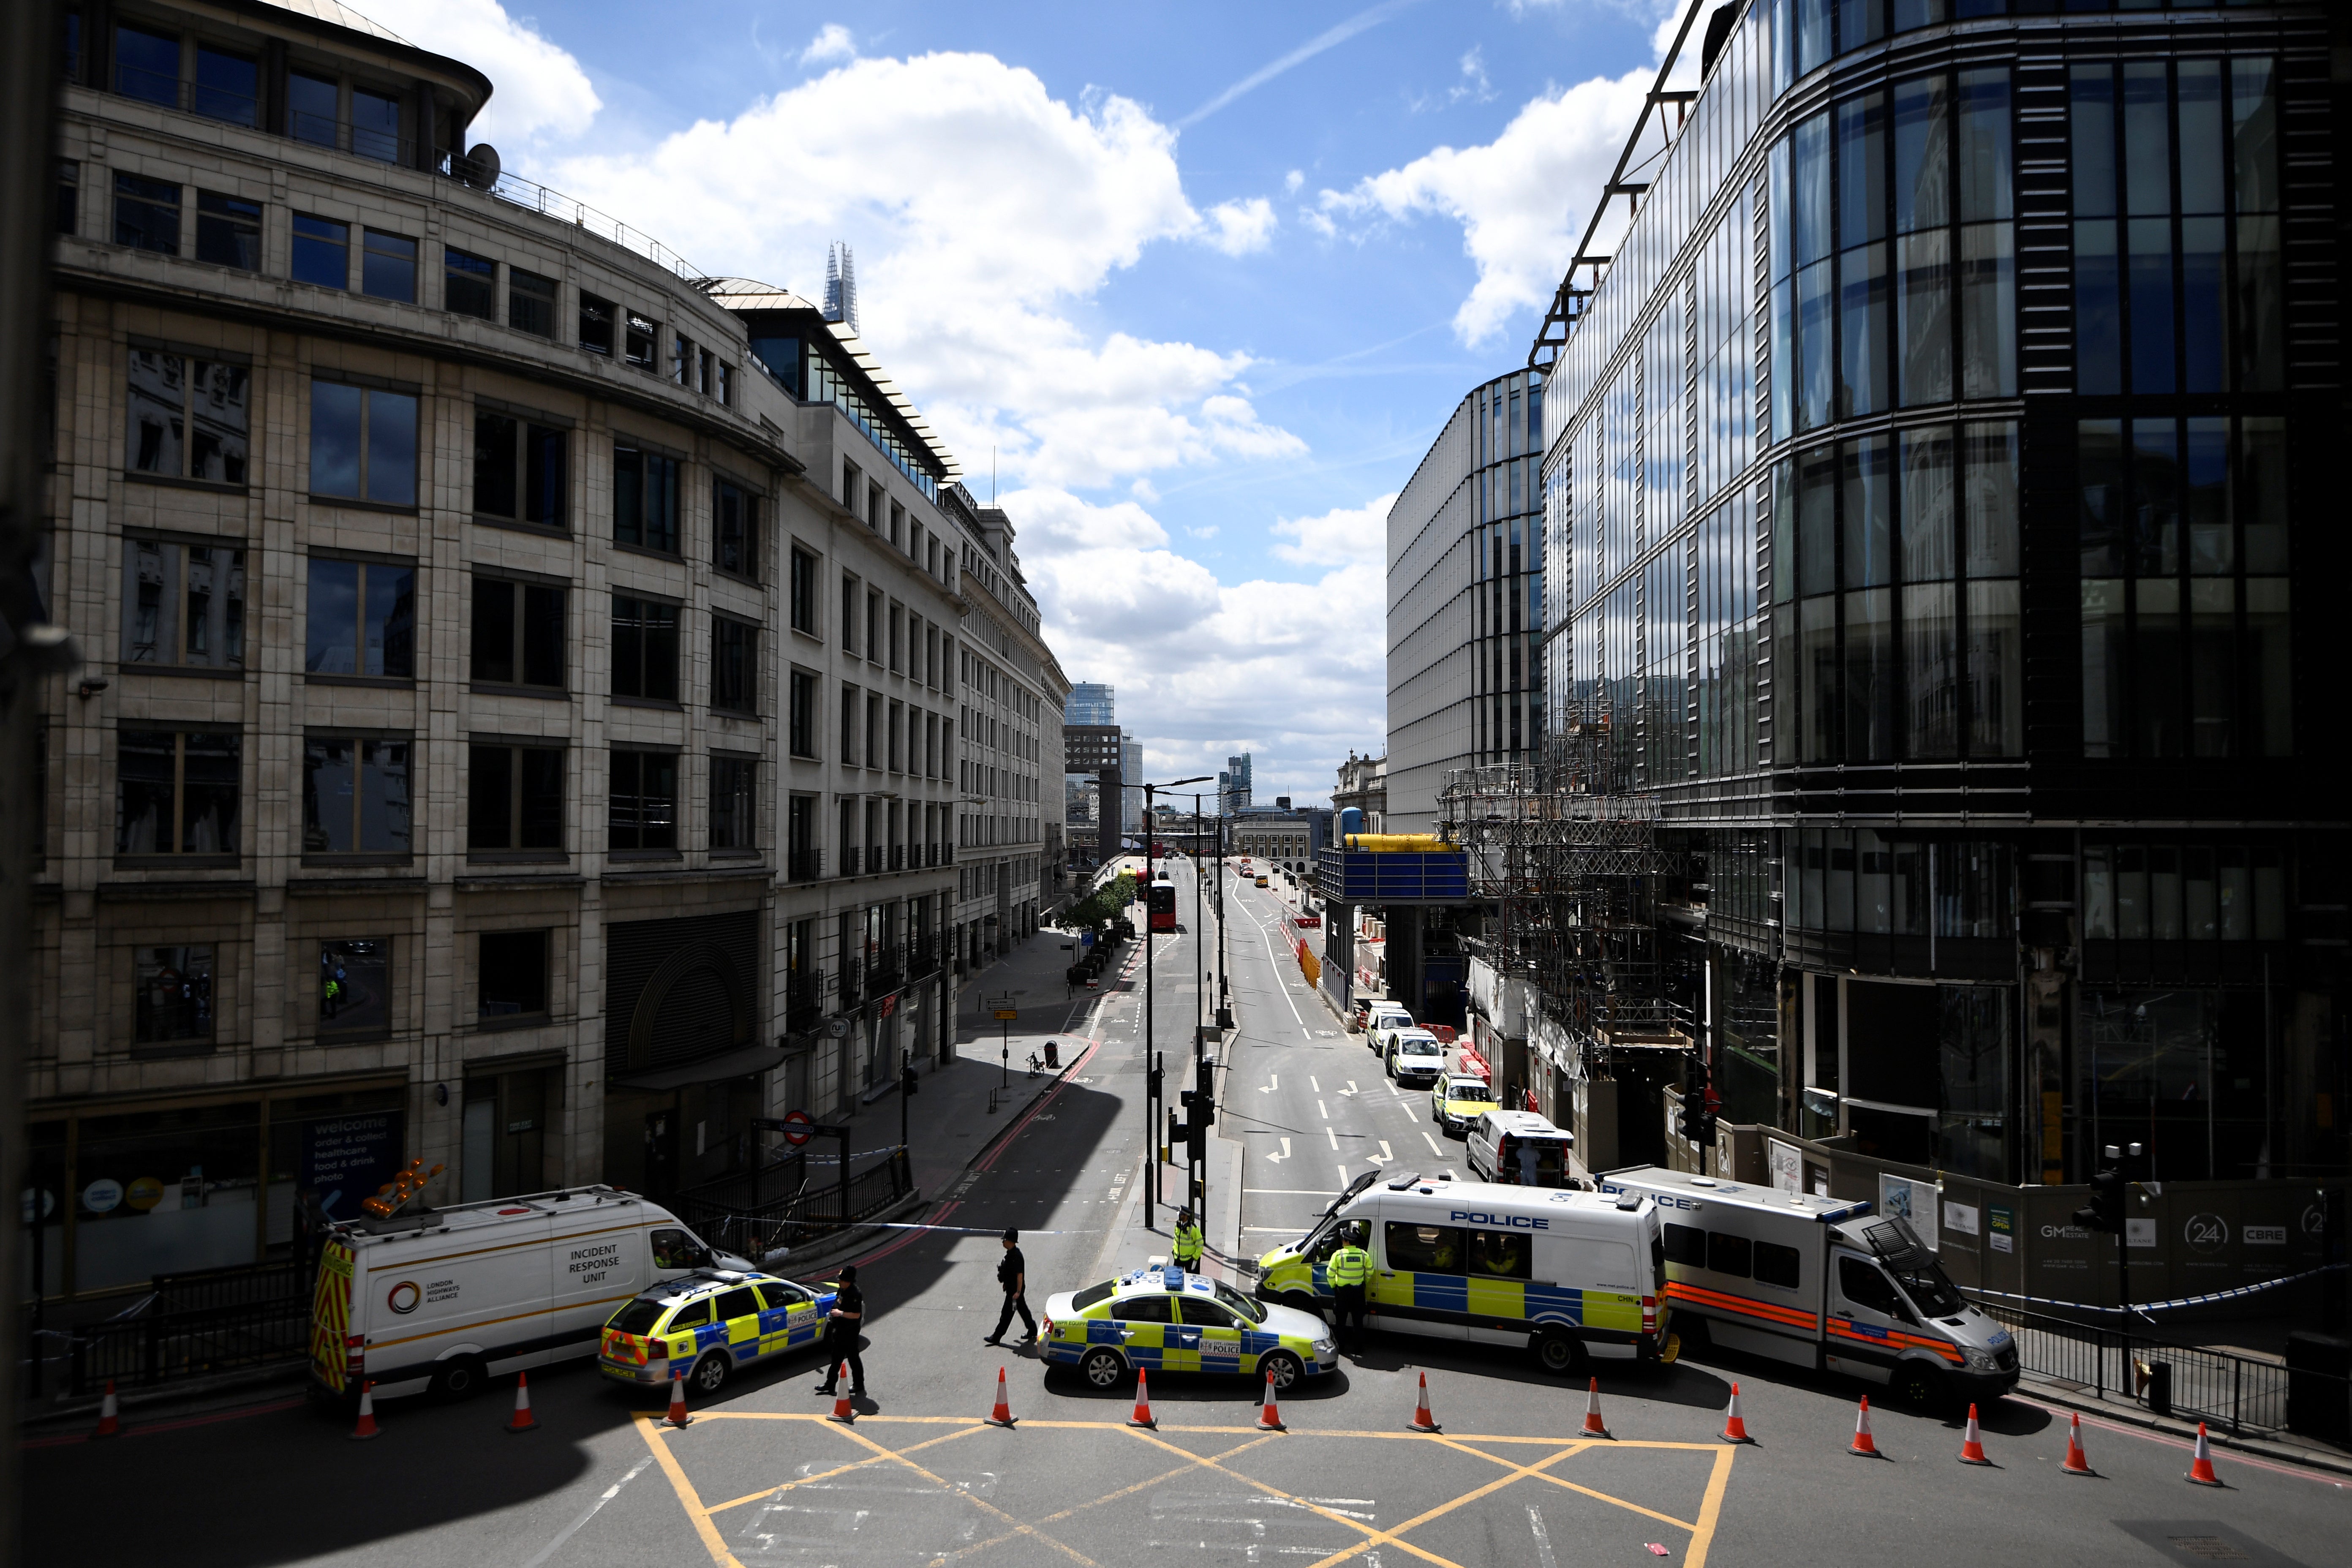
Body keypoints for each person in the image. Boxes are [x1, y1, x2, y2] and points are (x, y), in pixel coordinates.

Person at [815, 1264, 866, 1398]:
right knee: (836, 1358)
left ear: (848, 1281)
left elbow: (856, 1315)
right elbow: (837, 1303)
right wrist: (833, 1314)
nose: (839, 1281)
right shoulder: (842, 1290)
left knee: (853, 1358)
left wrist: (841, 1313)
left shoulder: (855, 1294)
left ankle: (859, 1384)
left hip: (850, 1332)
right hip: (840, 1330)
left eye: (842, 1280)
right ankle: (830, 1384)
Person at [984, 1228, 1036, 1346]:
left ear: (1010, 1241)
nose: (1003, 1242)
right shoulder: (1011, 1254)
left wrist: (1018, 1292)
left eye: (1005, 1240)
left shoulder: (1016, 1256)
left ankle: (996, 1337)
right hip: (1012, 1290)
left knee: (1006, 1314)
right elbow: (1010, 1273)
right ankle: (1033, 1330)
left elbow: (1020, 1275)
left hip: (1014, 1292)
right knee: (1023, 1310)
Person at [1326, 1225, 1372, 1352]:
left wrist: (1334, 1285)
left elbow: (1330, 1273)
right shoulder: (1364, 1255)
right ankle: (1359, 1348)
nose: (1342, 1243)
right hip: (1358, 1293)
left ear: (1347, 1242)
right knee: (1358, 1322)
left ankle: (1341, 1347)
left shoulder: (1338, 1255)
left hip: (1343, 1293)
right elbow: (1370, 1272)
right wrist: (1364, 1283)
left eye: (1343, 1241)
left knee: (1341, 1322)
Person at [1172, 1207, 1205, 1272]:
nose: (1179, 1216)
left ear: (1186, 1216)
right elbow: (1176, 1239)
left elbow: (1200, 1244)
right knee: (1176, 1279)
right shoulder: (1178, 1225)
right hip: (1178, 1258)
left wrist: (1195, 1257)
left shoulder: (1193, 1229)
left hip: (1190, 1260)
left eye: (1181, 1214)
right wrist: (1174, 1250)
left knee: (1192, 1279)